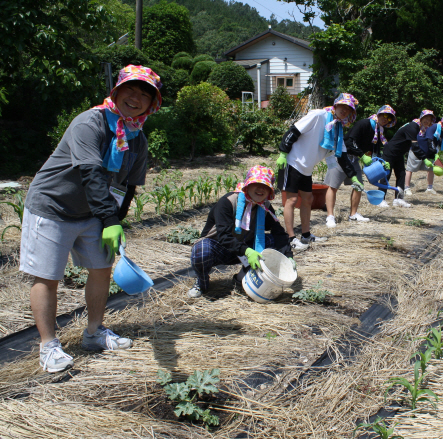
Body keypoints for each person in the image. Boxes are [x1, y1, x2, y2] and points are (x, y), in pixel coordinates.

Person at [21, 65, 162, 373]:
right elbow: (92, 174)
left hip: (92, 212)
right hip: (53, 206)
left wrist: (117, 222)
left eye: (144, 95)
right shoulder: (90, 123)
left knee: (100, 270)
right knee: (47, 276)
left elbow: (127, 187)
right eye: (131, 90)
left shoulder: (137, 139)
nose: (135, 98)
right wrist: (109, 219)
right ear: (116, 91)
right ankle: (49, 346)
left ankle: (94, 332)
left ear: (152, 105)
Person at [188, 166, 293, 298]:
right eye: (256, 184)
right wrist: (247, 251)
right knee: (201, 250)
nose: (260, 189)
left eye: (265, 186)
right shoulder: (228, 202)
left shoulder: (264, 207)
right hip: (219, 248)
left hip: (244, 248)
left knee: (273, 242)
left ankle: (241, 278)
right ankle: (202, 283)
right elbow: (224, 237)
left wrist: (288, 256)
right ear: (247, 185)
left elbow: (280, 233)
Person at [276, 93, 360, 248]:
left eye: (349, 109)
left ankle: (306, 235)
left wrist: (353, 177)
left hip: (307, 168)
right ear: (336, 105)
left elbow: (342, 157)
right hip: (293, 161)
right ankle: (291, 238)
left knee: (308, 200)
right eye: (343, 106)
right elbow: (294, 131)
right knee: (292, 200)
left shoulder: (337, 129)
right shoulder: (318, 115)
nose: (345, 111)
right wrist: (283, 152)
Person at [324, 105, 397, 227]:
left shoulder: (378, 131)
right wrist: (362, 155)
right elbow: (349, 141)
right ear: (378, 114)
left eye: (389, 119)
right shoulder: (365, 124)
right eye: (384, 115)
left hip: (354, 159)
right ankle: (330, 216)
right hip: (341, 156)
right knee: (333, 186)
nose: (385, 119)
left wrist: (383, 162)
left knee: (359, 186)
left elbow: (375, 151)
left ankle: (353, 214)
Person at [381, 110, 436, 207]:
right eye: (426, 118)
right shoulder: (413, 126)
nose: (427, 121)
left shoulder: (418, 128)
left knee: (401, 175)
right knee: (386, 175)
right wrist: (425, 159)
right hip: (390, 152)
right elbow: (414, 146)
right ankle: (380, 199)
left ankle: (398, 199)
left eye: (429, 120)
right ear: (421, 117)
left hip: (399, 153)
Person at [404, 114, 443, 196]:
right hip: (416, 150)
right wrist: (433, 151)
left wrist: (434, 153)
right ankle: (407, 188)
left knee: (430, 169)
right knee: (410, 168)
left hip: (428, 152)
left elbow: (435, 143)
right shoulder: (434, 127)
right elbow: (429, 140)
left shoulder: (442, 131)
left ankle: (430, 188)